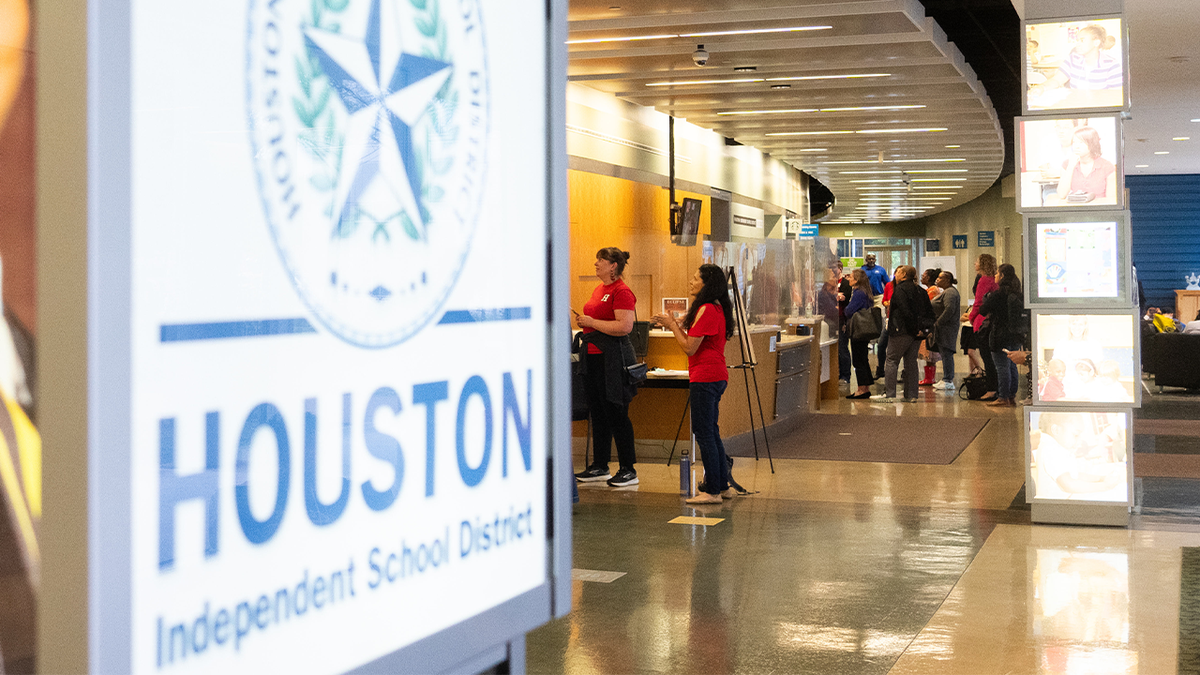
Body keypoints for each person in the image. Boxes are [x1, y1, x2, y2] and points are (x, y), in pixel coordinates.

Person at [652, 264, 735, 505]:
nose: (691, 281)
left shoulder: (708, 309)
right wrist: (674, 322)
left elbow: (689, 347)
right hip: (716, 374)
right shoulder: (717, 307)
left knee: (704, 433)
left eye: (696, 278)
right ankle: (722, 484)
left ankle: (712, 491)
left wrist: (672, 326)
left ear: (706, 284)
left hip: (705, 376)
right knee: (712, 431)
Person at [574, 247, 640, 487]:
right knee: (598, 412)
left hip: (613, 358)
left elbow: (624, 327)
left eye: (600, 260)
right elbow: (597, 320)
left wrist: (592, 322)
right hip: (592, 357)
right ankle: (600, 465)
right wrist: (586, 322)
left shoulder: (622, 291)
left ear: (613, 265)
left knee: (616, 413)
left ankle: (628, 468)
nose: (596, 264)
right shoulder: (599, 289)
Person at [1033, 412, 1126, 502]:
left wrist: (1101, 479)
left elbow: (1075, 475)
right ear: (1056, 430)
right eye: (1076, 434)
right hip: (1053, 510)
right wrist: (1105, 486)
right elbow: (1068, 485)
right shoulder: (1050, 449)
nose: (1080, 440)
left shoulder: (1056, 448)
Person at [876, 265, 934, 402]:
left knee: (891, 360)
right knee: (911, 362)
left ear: (903, 275)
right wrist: (922, 329)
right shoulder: (921, 291)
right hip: (917, 333)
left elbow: (905, 311)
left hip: (901, 330)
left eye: (898, 272)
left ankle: (890, 394)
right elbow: (929, 312)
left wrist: (913, 328)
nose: (895, 274)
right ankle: (912, 394)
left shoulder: (900, 290)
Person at [980, 263, 1024, 408]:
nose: (995, 276)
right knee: (1012, 365)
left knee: (1001, 366)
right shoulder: (1018, 293)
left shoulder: (998, 294)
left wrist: (986, 298)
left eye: (997, 274)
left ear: (1003, 275)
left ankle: (1002, 397)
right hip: (1016, 334)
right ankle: (1011, 395)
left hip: (1000, 333)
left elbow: (983, 310)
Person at [1033, 24, 1122, 95]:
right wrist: (1041, 87)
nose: (1077, 44)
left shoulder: (1112, 65)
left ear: (1096, 42)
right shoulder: (1072, 59)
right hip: (1076, 109)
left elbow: (1116, 95)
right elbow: (1056, 80)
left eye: (1082, 40)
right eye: (1077, 40)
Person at [963, 254, 999, 400]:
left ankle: (991, 389)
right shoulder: (996, 280)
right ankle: (998, 388)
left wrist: (971, 317)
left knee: (987, 357)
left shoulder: (984, 280)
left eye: (977, 261)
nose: (974, 263)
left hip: (982, 322)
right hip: (993, 321)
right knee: (994, 357)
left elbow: (978, 302)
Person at [1055, 126, 1116, 203]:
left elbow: (1111, 200)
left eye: (1081, 142)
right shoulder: (1067, 164)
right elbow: (1062, 194)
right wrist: (1071, 166)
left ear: (1092, 144)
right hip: (1076, 210)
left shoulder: (1107, 166)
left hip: (1099, 210)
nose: (1076, 146)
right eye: (1074, 142)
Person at [844, 269, 876, 400]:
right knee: (863, 358)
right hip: (865, 330)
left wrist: (845, 307)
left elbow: (849, 310)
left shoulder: (858, 293)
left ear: (856, 280)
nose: (849, 279)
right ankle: (865, 386)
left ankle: (861, 389)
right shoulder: (866, 292)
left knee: (858, 359)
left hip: (858, 330)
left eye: (851, 277)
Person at [931, 271, 961, 391]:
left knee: (947, 353)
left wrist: (939, 322)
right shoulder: (946, 292)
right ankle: (946, 378)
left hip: (947, 328)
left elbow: (949, 309)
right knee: (944, 353)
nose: (937, 279)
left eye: (940, 277)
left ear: (947, 280)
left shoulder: (950, 293)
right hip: (944, 327)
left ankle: (948, 379)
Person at [874, 264, 904, 380]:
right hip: (889, 319)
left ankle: (902, 372)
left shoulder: (903, 288)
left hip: (900, 321)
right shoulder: (889, 285)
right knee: (881, 345)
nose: (897, 275)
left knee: (899, 348)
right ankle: (880, 369)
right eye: (896, 272)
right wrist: (887, 303)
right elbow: (884, 300)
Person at [918, 268, 944, 386]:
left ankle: (929, 378)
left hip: (930, 324)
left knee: (930, 352)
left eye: (923, 275)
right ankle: (929, 377)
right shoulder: (931, 290)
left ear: (928, 278)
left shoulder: (932, 291)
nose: (921, 277)